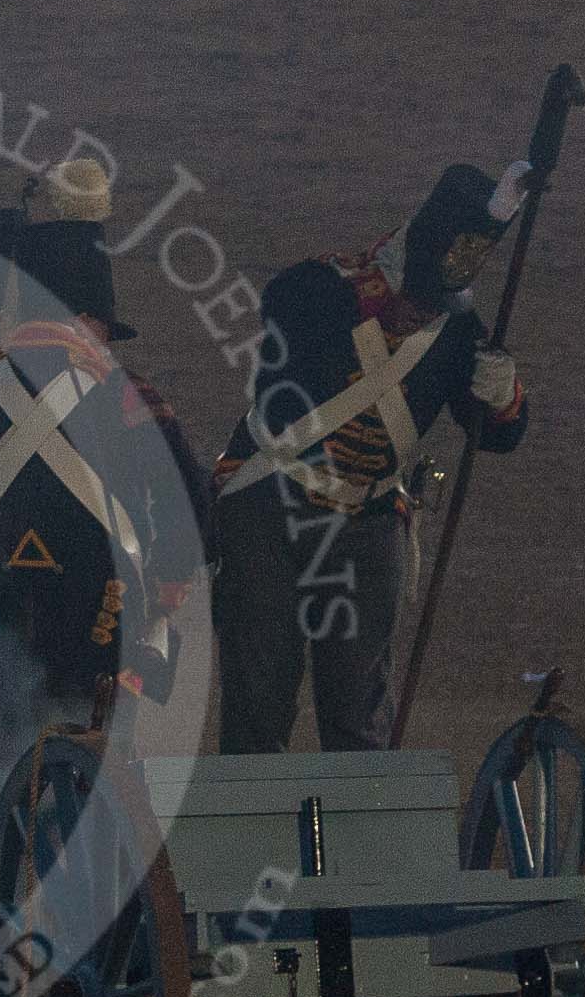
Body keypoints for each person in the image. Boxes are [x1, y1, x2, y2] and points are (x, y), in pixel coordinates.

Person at [211, 161, 534, 753]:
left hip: (366, 524)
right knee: (260, 702)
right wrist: (382, 302)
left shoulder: (458, 330)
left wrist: (500, 392)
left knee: (359, 720)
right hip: (271, 510)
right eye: (418, 298)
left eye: (435, 304)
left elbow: (497, 436)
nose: (423, 313)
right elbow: (286, 315)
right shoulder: (322, 285)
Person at [0, 161, 211, 716]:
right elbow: (192, 503)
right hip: (100, 623)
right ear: (92, 319)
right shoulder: (131, 396)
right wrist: (170, 579)